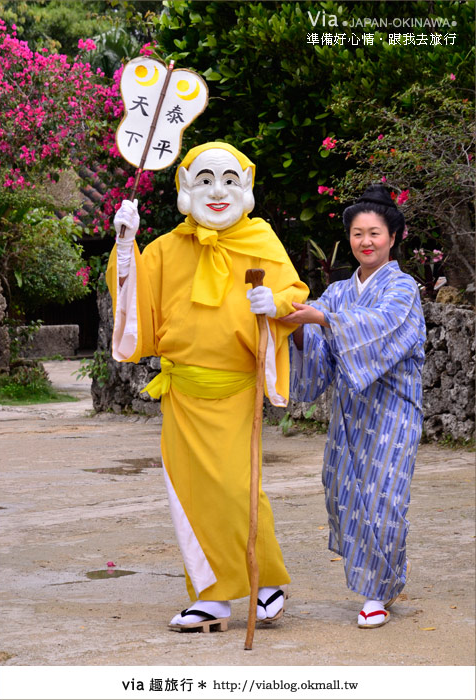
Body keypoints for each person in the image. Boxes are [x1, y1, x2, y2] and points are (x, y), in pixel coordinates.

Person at [106, 141, 308, 631]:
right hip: (183, 393)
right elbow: (133, 301)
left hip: (237, 389)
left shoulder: (260, 239)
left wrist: (272, 303)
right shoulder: (167, 248)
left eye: (229, 180)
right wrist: (125, 245)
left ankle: (266, 583)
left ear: (247, 188)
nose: (217, 191)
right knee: (190, 494)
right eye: (204, 180)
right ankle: (211, 597)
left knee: (240, 488)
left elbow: (294, 293)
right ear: (184, 189)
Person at [281, 184, 426, 629]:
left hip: (393, 413)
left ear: (393, 237)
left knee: (385, 499)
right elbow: (319, 350)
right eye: (358, 233)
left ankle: (376, 593)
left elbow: (380, 327)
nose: (366, 241)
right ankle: (376, 584)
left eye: (375, 233)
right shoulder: (339, 292)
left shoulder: (403, 289)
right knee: (346, 497)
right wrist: (299, 328)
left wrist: (320, 318)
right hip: (348, 417)